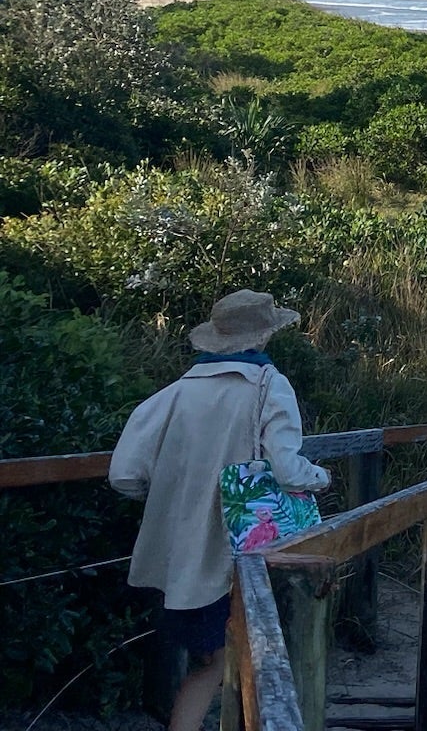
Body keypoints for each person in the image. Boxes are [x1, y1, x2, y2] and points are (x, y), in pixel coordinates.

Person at [109, 291, 331, 731]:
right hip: (246, 552)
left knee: (211, 662)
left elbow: (124, 474)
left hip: (184, 558)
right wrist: (321, 478)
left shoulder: (173, 394)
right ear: (265, 334)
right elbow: (287, 469)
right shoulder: (270, 386)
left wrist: (173, 499)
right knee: (248, 659)